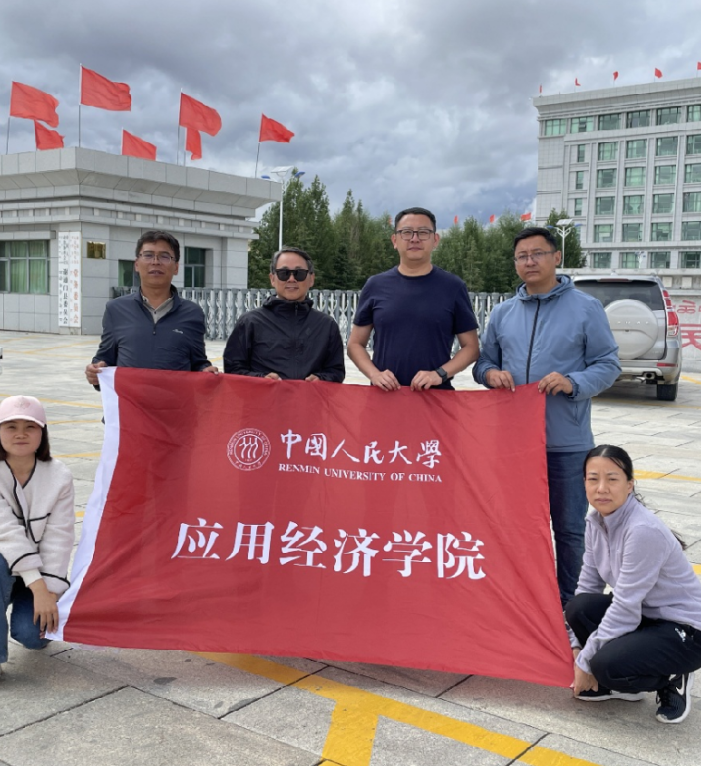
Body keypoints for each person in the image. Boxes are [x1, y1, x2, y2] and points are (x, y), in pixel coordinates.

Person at [473, 225, 620, 606]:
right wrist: (490, 374)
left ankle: (572, 604)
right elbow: (484, 362)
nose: (530, 261)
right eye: (522, 256)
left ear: (556, 257)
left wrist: (573, 382)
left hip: (566, 442)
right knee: (512, 526)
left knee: (569, 529)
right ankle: (518, 600)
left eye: (537, 254)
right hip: (513, 444)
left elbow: (608, 364)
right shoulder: (503, 313)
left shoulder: (585, 308)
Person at [567, 445, 701, 724]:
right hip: (645, 617)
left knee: (604, 664)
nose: (601, 488)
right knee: (579, 607)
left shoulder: (642, 530)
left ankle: (673, 677)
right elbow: (587, 588)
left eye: (612, 479)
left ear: (630, 485)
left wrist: (585, 663)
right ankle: (624, 684)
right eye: (593, 479)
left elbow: (625, 607)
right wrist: (577, 647)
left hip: (686, 632)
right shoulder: (595, 523)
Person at [0, 396, 75, 697]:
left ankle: (30, 620)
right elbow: (5, 534)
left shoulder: (59, 474)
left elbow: (60, 537)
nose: (20, 434)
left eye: (30, 427)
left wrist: (50, 592)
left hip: (39, 575)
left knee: (33, 637)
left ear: (42, 432)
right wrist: (39, 590)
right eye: (11, 426)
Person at [347, 207, 479, 391]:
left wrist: (439, 374)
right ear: (395, 240)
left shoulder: (453, 287)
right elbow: (355, 344)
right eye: (407, 232)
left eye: (423, 232)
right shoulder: (375, 285)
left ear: (435, 240)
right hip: (384, 396)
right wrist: (374, 374)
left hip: (435, 397)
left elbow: (471, 348)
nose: (415, 239)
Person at [85, 230, 217, 387]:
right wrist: (95, 371)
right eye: (148, 255)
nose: (155, 262)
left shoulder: (192, 313)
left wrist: (205, 370)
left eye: (164, 256)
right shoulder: (116, 309)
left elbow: (198, 362)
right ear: (136, 264)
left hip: (174, 401)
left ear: (176, 267)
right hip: (130, 401)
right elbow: (105, 357)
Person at [223, 247, 345, 382]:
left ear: (311, 279)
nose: (291, 279)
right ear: (272, 278)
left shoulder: (326, 325)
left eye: (299, 273)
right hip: (264, 395)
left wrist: (321, 379)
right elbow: (232, 369)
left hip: (309, 396)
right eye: (284, 273)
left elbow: (336, 371)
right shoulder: (250, 322)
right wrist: (261, 379)